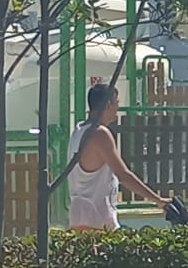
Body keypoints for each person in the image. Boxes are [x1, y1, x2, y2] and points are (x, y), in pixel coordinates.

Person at [67, 81, 164, 230]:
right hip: (97, 221)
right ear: (108, 105)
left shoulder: (79, 130)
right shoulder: (100, 134)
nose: (118, 107)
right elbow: (124, 175)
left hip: (79, 216)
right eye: (116, 102)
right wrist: (158, 200)